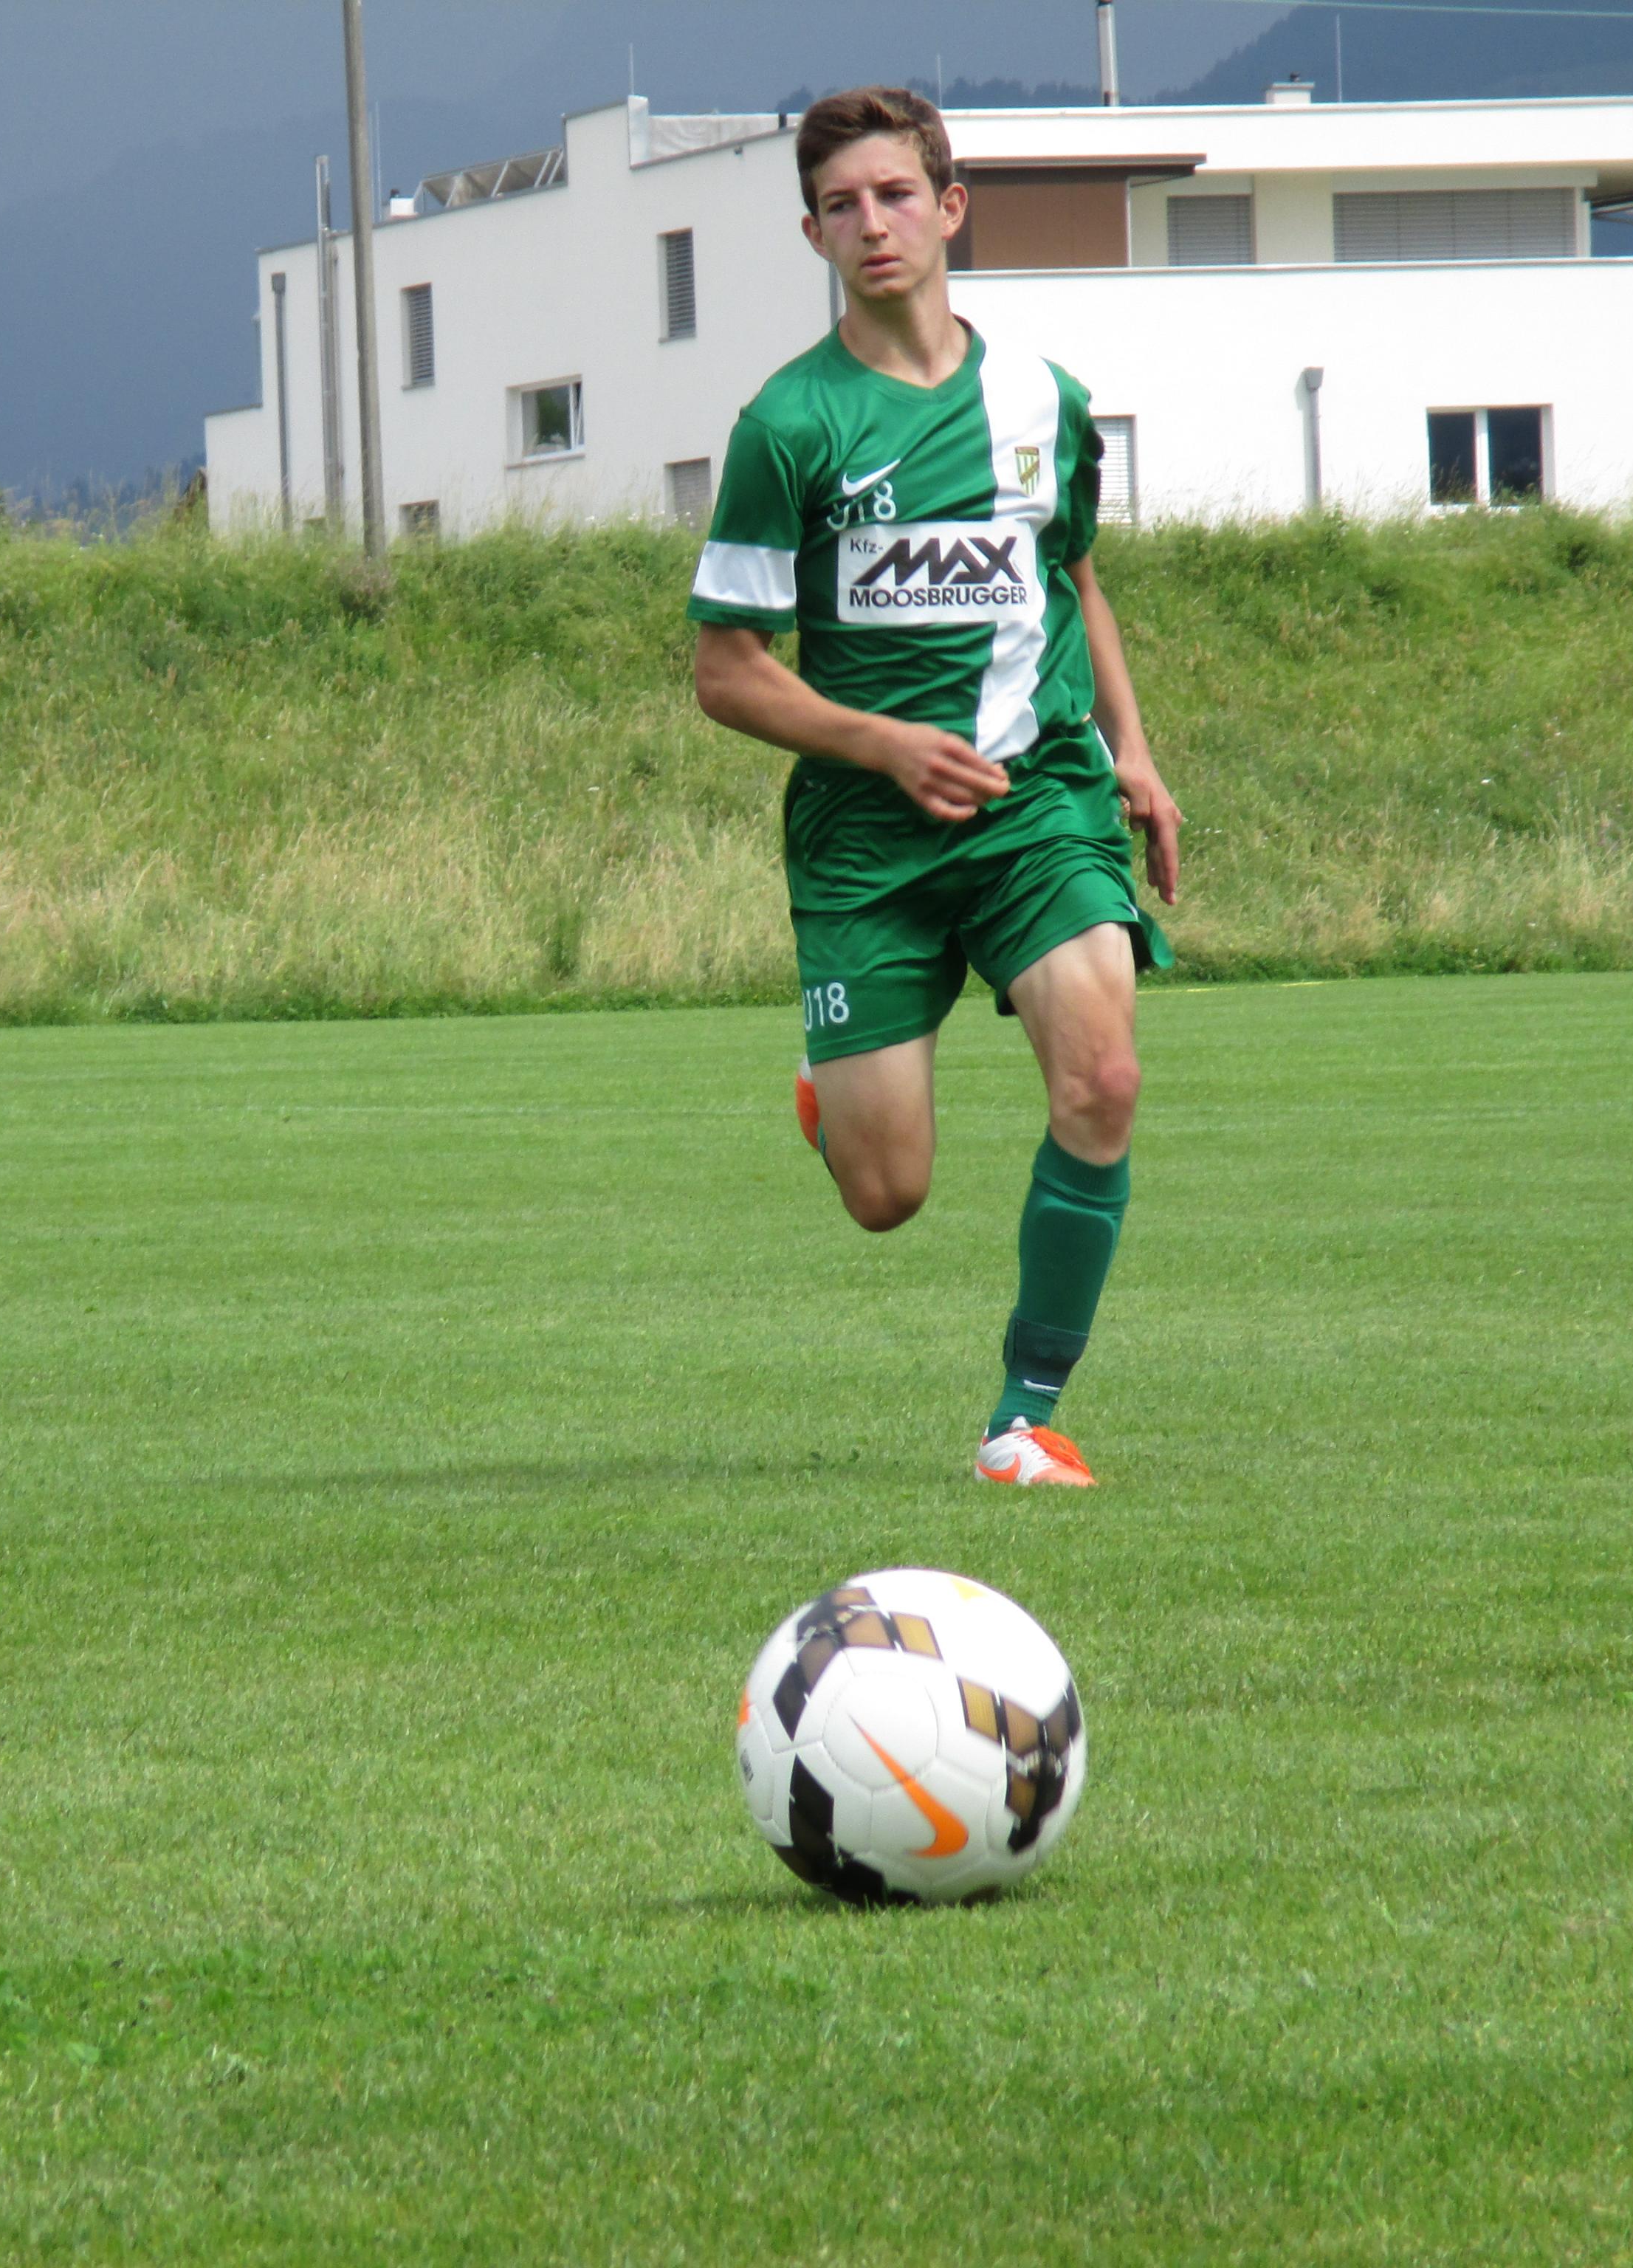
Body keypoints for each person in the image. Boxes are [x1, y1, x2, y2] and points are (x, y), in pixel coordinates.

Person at [686, 89, 1183, 1490]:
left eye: (896, 194)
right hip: (867, 838)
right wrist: (883, 744)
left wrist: (1133, 750)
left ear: (950, 208)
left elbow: (1073, 577)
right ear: (813, 235)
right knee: (885, 1194)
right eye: (841, 205)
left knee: (1106, 1074)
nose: (873, 224)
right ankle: (832, 1089)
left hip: (1037, 803)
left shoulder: (1043, 401)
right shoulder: (789, 425)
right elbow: (726, 671)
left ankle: (1025, 1416)